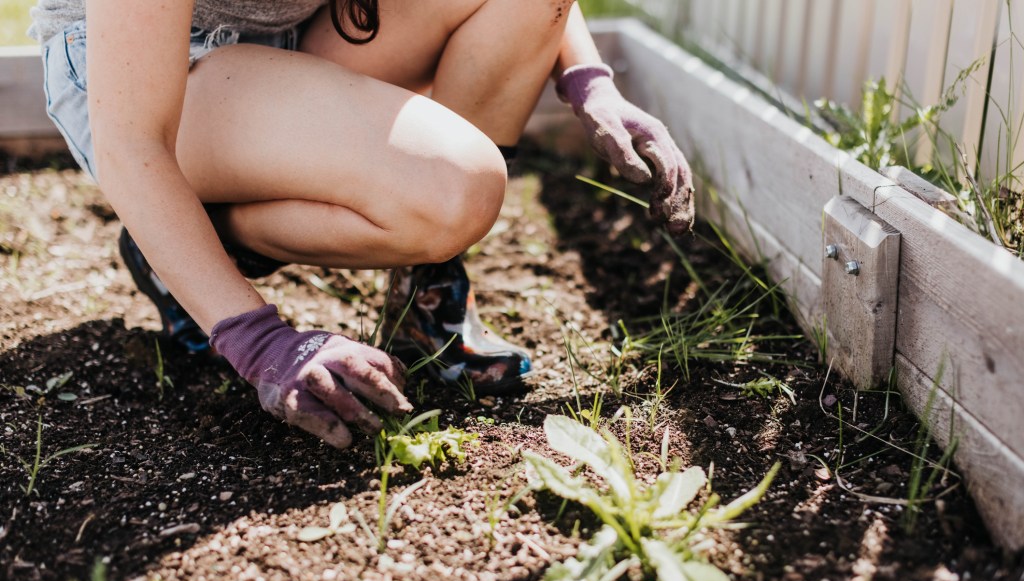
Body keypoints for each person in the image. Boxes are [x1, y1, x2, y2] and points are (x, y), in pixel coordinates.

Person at [30, 0, 694, 449]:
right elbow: (132, 137)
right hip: (155, 71)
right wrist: (260, 342)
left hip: (304, 30)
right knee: (455, 186)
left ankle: (426, 301)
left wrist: (587, 80)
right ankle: (184, 246)